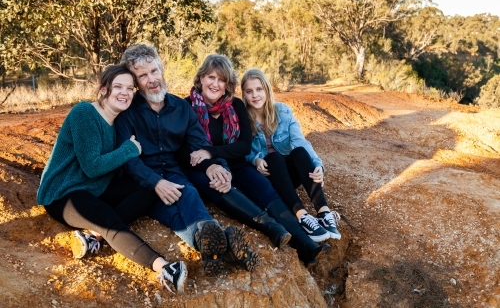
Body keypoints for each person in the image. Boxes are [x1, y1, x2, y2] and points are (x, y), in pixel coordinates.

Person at [37, 64, 187, 293]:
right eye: (118, 86)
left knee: (148, 188)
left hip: (94, 187)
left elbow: (112, 168)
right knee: (107, 217)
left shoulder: (118, 121)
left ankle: (92, 237)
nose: (124, 93)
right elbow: (91, 167)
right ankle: (166, 269)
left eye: (130, 88)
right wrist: (129, 149)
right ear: (103, 89)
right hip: (64, 194)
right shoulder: (84, 114)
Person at [115, 44, 257, 276]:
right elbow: (128, 160)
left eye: (154, 71)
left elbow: (199, 143)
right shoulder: (127, 113)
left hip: (174, 174)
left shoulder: (181, 108)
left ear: (161, 70)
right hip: (141, 183)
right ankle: (227, 247)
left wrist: (215, 165)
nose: (151, 79)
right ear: (135, 82)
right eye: (142, 75)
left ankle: (212, 241)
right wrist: (156, 183)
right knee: (172, 212)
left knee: (188, 193)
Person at [184, 54, 330, 266]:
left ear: (228, 84)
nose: (215, 84)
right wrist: (210, 161)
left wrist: (211, 152)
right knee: (225, 188)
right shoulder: (186, 106)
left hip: (238, 165)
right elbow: (187, 149)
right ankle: (274, 230)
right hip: (206, 169)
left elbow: (243, 145)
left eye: (221, 79)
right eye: (211, 77)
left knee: (266, 191)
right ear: (201, 79)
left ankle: (306, 245)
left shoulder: (235, 105)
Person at [241, 68, 342, 242]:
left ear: (267, 89)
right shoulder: (242, 117)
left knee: (300, 152)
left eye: (259, 89)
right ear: (243, 94)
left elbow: (300, 141)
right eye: (249, 91)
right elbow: (241, 149)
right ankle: (302, 216)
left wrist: (318, 165)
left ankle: (324, 212)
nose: (255, 95)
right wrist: (255, 159)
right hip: (268, 177)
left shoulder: (283, 111)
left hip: (287, 176)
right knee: (273, 157)